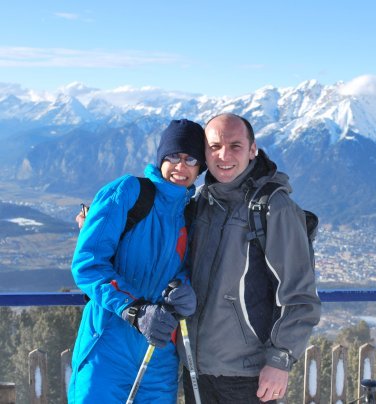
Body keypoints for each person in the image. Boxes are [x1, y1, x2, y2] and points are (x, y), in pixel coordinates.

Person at [182, 113, 321, 403]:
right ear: (205, 153)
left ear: (252, 149)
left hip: (249, 374)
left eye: (235, 146)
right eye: (215, 147)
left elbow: (299, 294)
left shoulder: (273, 208)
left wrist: (280, 359)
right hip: (197, 368)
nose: (224, 155)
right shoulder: (201, 203)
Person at [69, 119, 205, 403]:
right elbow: (88, 264)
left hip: (159, 356)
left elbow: (185, 268)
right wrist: (135, 310)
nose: (181, 166)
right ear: (161, 158)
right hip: (107, 348)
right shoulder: (129, 193)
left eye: (191, 159)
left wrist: (183, 288)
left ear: (200, 167)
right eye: (173, 156)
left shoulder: (191, 214)